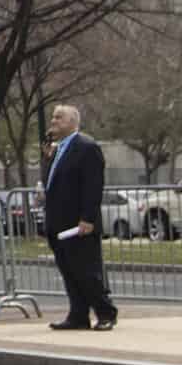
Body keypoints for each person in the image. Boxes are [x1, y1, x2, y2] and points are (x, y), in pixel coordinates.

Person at [43, 103, 116, 331]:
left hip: (79, 224)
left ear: (73, 122)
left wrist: (88, 218)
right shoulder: (56, 150)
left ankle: (105, 312)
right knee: (69, 271)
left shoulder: (86, 147)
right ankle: (78, 315)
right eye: (53, 117)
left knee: (86, 271)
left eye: (59, 117)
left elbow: (93, 186)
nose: (53, 121)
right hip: (58, 223)